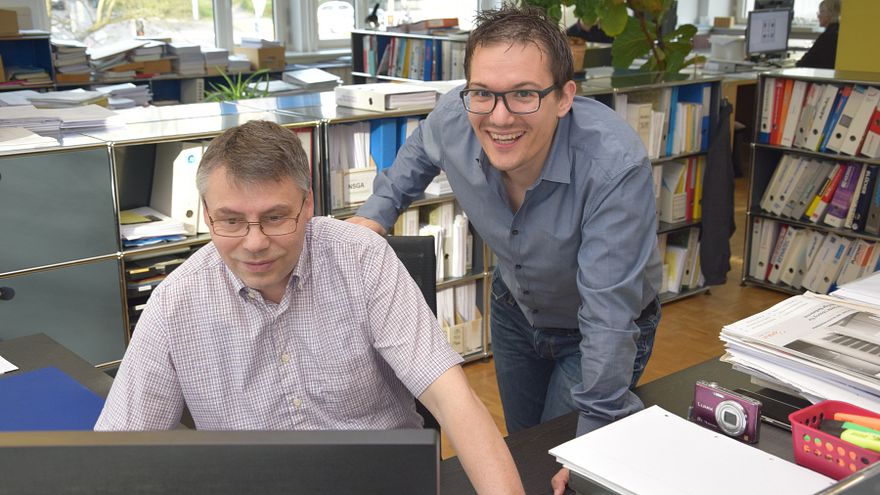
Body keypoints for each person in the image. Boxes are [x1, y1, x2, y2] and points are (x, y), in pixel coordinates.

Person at [95, 120, 524, 494]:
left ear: (308, 205)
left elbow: (453, 401)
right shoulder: (175, 304)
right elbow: (121, 453)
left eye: (275, 217)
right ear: (207, 216)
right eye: (231, 221)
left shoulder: (362, 259)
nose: (255, 242)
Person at [347, 5, 662, 493]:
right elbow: (419, 152)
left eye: (524, 94)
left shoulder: (613, 167)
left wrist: (595, 444)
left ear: (564, 97)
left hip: (594, 330)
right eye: (483, 93)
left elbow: (607, 317)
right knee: (525, 450)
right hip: (515, 310)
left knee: (561, 462)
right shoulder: (456, 114)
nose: (499, 116)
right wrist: (374, 216)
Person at [796, 0, 841, 69]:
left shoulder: (827, 37)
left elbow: (804, 63)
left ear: (830, 14)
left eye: (821, 12)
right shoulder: (840, 32)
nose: (818, 16)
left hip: (823, 74)